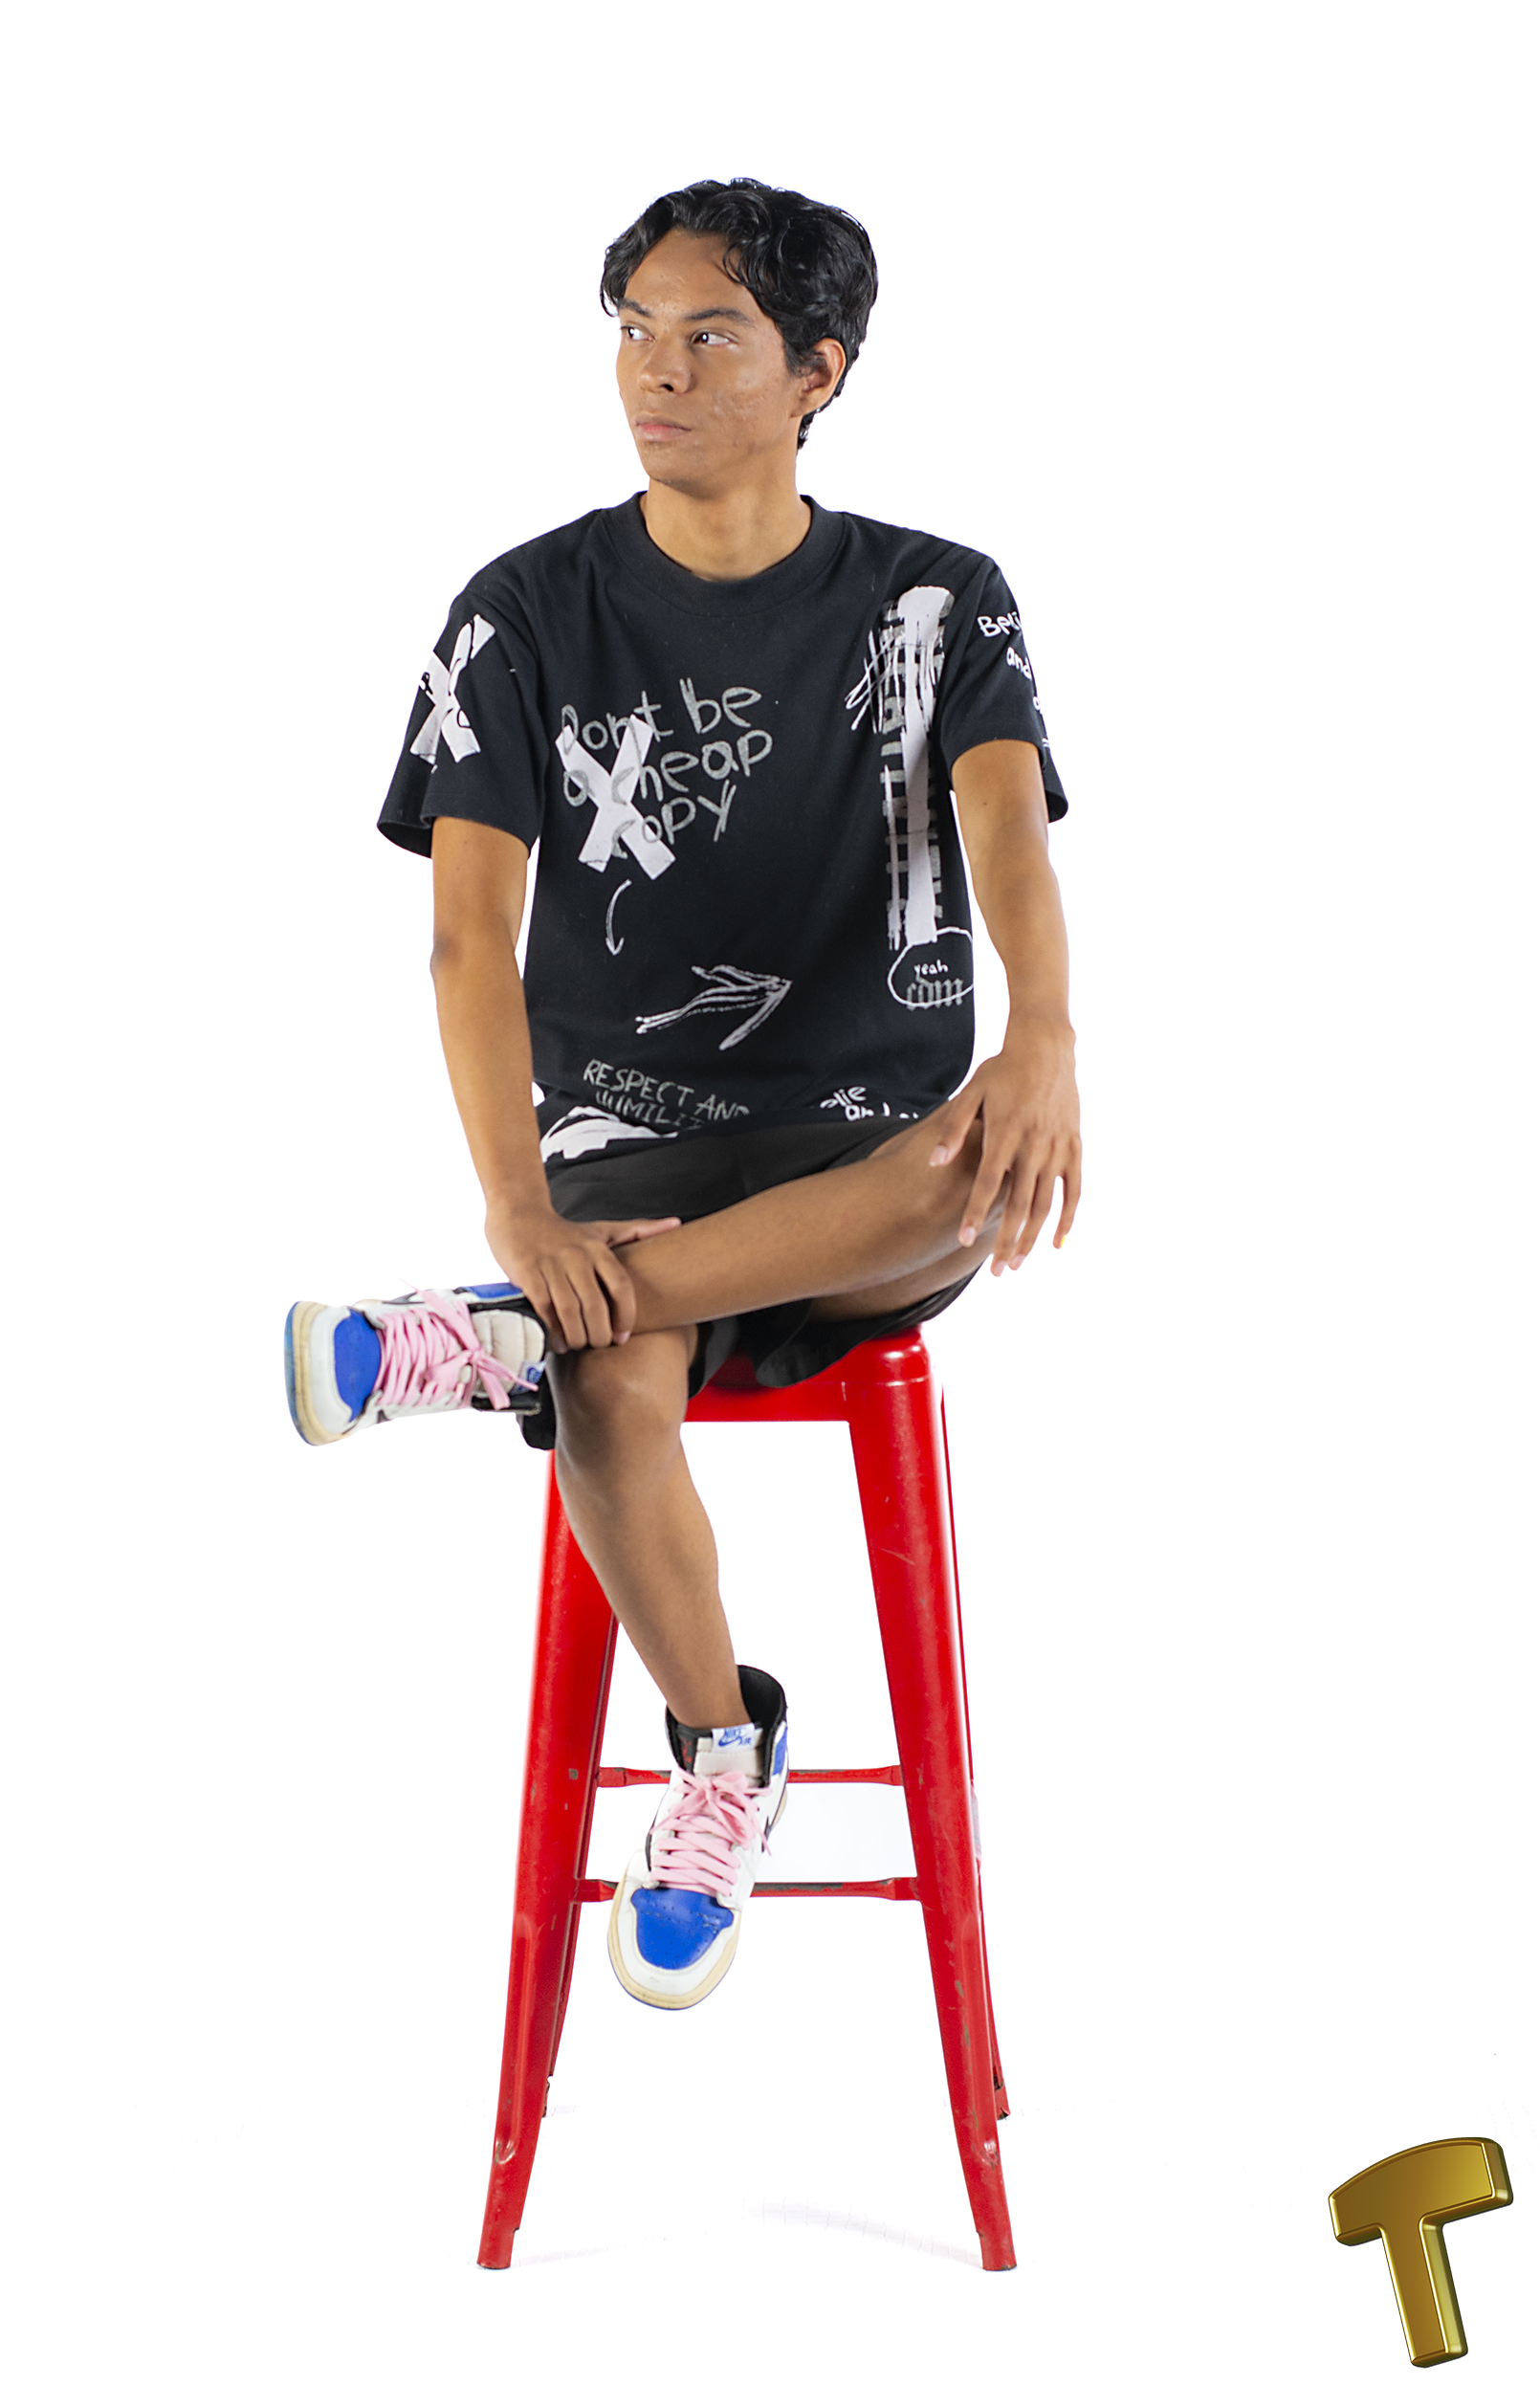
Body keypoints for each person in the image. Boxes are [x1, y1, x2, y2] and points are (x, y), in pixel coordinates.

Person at [285, 177, 1080, 2013]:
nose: (657, 370)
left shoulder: (936, 597)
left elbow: (1008, 836)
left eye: (711, 335)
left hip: (870, 1135)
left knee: (960, 1172)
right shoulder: (524, 613)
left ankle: (496, 1339)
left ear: (821, 373)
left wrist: (1046, 1032)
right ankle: (725, 1750)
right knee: (610, 1380)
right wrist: (519, 1210)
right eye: (635, 330)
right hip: (628, 1129)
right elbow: (466, 943)